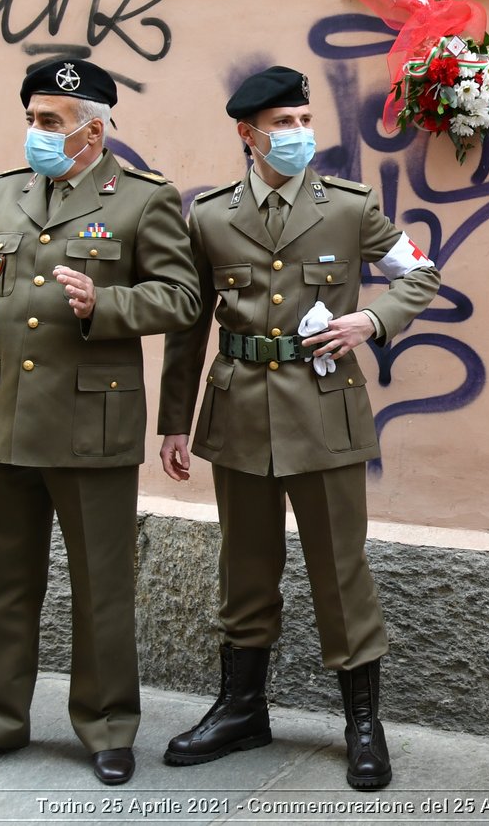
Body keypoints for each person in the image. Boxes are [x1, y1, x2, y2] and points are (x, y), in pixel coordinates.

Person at [0, 58, 201, 786]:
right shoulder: (9, 192)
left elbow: (183, 297)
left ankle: (107, 727)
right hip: (14, 416)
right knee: (7, 582)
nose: (35, 132)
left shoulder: (143, 199)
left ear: (93, 131)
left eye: (50, 121)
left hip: (93, 422)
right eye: (30, 118)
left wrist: (107, 304)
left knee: (101, 586)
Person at [157, 65, 440, 790]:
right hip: (241, 410)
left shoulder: (348, 206)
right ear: (248, 136)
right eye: (282, 124)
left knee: (341, 572)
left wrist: (373, 319)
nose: (298, 134)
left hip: (326, 412)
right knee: (244, 569)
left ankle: (363, 723)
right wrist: (173, 423)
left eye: (305, 119)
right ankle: (243, 708)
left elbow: (420, 272)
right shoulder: (212, 215)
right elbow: (190, 326)